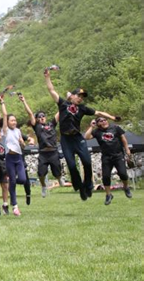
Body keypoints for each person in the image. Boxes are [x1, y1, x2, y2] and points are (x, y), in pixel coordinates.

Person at [45, 68, 119, 200]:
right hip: (66, 140)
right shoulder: (63, 104)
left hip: (78, 138)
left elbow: (98, 113)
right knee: (72, 165)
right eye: (78, 96)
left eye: (82, 97)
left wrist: (112, 117)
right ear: (72, 96)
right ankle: (80, 187)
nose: (80, 98)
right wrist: (47, 77)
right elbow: (52, 90)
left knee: (87, 162)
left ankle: (88, 186)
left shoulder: (83, 108)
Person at [20, 95, 63, 197]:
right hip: (43, 153)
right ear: (37, 119)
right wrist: (24, 101)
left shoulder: (52, 124)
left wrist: (67, 101)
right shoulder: (37, 126)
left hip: (53, 152)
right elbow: (30, 113)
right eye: (39, 117)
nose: (42, 118)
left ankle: (59, 178)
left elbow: (60, 111)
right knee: (41, 173)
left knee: (57, 173)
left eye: (43, 116)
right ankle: (43, 186)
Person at [84, 116, 133, 205]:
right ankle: (108, 195)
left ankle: (126, 187)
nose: (103, 121)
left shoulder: (115, 128)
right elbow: (86, 137)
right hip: (106, 157)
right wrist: (91, 126)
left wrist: (127, 150)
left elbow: (123, 138)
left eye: (105, 120)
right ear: (98, 123)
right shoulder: (97, 131)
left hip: (118, 155)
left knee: (123, 173)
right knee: (106, 176)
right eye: (100, 121)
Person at [0, 96, 27, 216]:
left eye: (15, 120)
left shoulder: (18, 131)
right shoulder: (5, 131)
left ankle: (11, 186)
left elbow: (22, 144)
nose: (14, 122)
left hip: (18, 158)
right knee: (13, 181)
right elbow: (5, 114)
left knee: (22, 179)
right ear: (7, 122)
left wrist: (22, 142)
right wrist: (2, 102)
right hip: (9, 158)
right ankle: (15, 206)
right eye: (12, 121)